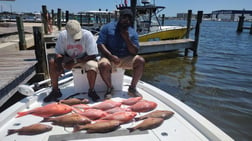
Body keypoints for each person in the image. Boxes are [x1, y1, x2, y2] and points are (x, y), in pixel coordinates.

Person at [44, 20, 100, 102]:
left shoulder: (87, 35)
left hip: (85, 59)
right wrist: (59, 65)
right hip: (68, 58)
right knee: (52, 62)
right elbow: (59, 53)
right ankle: (55, 90)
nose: (76, 39)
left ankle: (91, 90)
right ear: (67, 31)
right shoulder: (63, 35)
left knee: (93, 66)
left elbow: (92, 55)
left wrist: (75, 61)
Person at [97, 9, 145, 99]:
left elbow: (134, 52)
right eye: (124, 17)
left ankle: (132, 88)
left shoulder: (132, 32)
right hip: (109, 57)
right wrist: (111, 56)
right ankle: (109, 88)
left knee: (140, 61)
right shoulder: (107, 27)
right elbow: (100, 44)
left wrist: (127, 39)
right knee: (103, 65)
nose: (126, 20)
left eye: (129, 18)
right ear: (120, 17)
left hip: (125, 57)